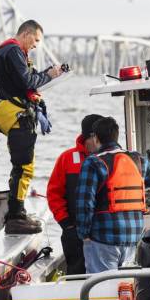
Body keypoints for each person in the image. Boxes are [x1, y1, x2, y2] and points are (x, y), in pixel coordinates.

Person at [0, 20, 64, 234]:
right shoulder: (13, 52)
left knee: (21, 166)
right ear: (26, 34)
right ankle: (16, 216)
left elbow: (23, 81)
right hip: (19, 119)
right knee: (24, 167)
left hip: (16, 115)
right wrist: (50, 75)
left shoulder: (7, 51)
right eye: (36, 40)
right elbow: (28, 81)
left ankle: (16, 212)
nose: (36, 45)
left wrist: (46, 74)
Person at [75, 117, 150, 273]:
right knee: (126, 285)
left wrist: (84, 234)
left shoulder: (93, 162)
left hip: (103, 237)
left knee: (102, 289)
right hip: (132, 237)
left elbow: (84, 203)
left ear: (96, 138)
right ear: (116, 136)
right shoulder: (137, 160)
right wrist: (137, 184)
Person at [46, 114, 103, 275]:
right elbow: (53, 193)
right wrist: (66, 224)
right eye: (99, 136)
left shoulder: (110, 157)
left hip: (104, 232)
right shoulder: (67, 158)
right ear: (90, 136)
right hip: (74, 232)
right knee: (76, 275)